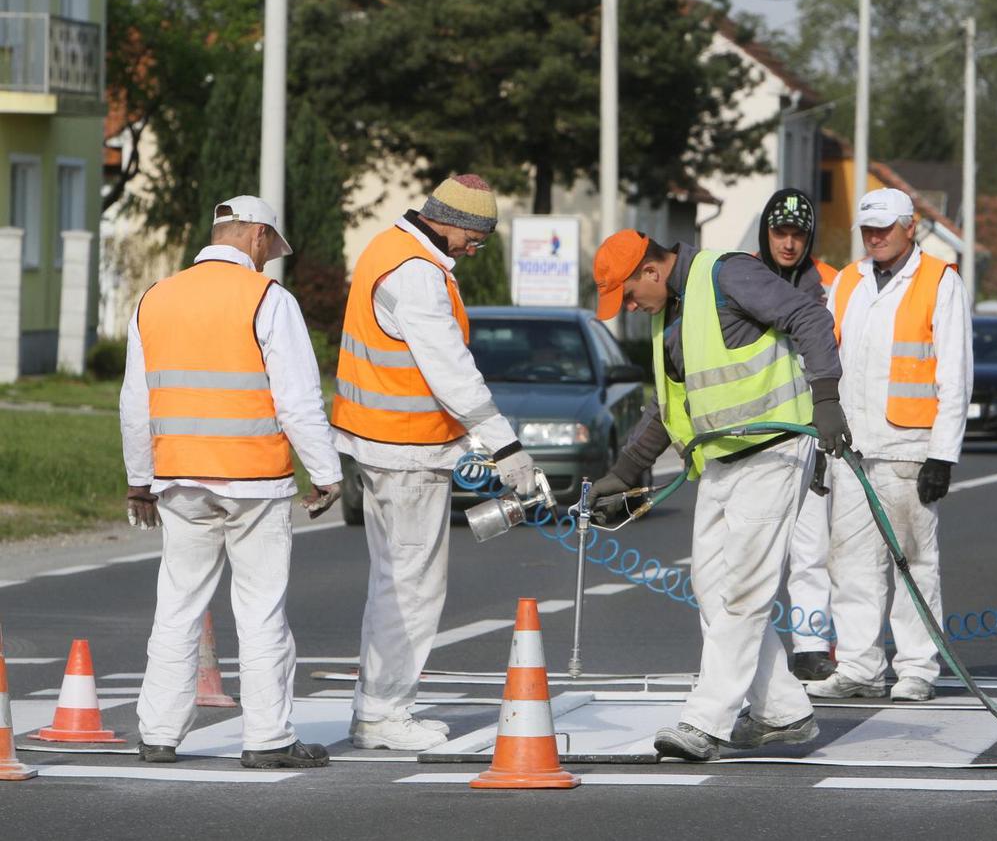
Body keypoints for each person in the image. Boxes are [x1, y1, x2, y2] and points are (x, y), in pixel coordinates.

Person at [588, 229, 850, 761]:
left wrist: (826, 397)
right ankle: (784, 712)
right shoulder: (672, 312)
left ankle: (704, 721)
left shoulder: (727, 274)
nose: (632, 308)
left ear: (652, 271)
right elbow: (669, 405)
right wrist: (627, 470)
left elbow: (810, 317)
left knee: (744, 592)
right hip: (720, 462)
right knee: (710, 589)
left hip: (775, 449)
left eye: (631, 295)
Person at [121, 196, 342, 769]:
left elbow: (134, 403)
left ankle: (159, 734)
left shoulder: (155, 298)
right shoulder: (268, 299)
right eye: (271, 249)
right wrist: (326, 473)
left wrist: (139, 480)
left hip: (178, 480)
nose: (271, 261)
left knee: (177, 605)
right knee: (261, 608)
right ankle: (267, 739)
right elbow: (297, 399)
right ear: (258, 237)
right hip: (254, 482)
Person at [332, 174, 537, 751]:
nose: (476, 250)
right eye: (475, 238)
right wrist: (503, 443)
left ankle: (374, 707)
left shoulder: (387, 250)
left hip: (381, 444)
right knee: (412, 586)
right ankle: (385, 714)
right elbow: (449, 369)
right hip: (406, 452)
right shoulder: (417, 274)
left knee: (392, 580)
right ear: (450, 222)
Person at [807, 188, 973, 703]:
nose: (875, 237)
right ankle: (858, 666)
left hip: (907, 447)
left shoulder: (939, 282)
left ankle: (918, 668)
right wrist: (819, 442)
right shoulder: (849, 282)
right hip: (851, 448)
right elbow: (825, 362)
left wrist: (943, 455)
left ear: (910, 227)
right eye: (867, 230)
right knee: (850, 559)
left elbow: (955, 376)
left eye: (884, 228)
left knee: (913, 561)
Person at [756, 189, 838, 682]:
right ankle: (754, 645)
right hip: (757, 431)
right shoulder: (743, 277)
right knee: (757, 550)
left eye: (798, 235)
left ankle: (810, 644)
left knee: (811, 547)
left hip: (810, 429)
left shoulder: (826, 284)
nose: (788, 244)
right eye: (780, 233)